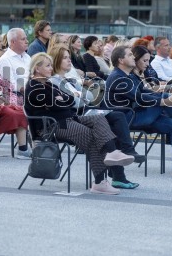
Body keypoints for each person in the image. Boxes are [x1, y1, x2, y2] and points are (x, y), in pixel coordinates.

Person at [25, 53, 135, 194]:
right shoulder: (34, 87)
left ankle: (112, 152)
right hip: (52, 127)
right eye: (47, 65)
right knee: (91, 136)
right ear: (37, 68)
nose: (51, 68)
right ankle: (100, 182)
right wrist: (64, 99)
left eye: (51, 65)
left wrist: (63, 99)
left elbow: (67, 101)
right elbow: (61, 104)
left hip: (67, 119)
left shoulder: (47, 84)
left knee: (99, 118)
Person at [48, 44, 145, 187]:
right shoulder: (54, 81)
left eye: (69, 57)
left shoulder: (69, 80)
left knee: (117, 118)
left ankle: (122, 162)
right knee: (109, 126)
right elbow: (74, 103)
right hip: (76, 118)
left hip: (86, 113)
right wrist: (78, 97)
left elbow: (89, 96)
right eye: (65, 58)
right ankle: (117, 172)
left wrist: (77, 95)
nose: (69, 61)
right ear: (56, 60)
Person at [106, 46, 172, 178]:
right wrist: (164, 100)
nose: (133, 57)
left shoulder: (129, 76)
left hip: (141, 115)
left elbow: (145, 92)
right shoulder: (118, 77)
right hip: (129, 119)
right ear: (121, 60)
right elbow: (140, 98)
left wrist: (163, 96)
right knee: (166, 99)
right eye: (130, 55)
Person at [0, 28, 31, 95]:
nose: (27, 41)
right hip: (18, 97)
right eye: (23, 39)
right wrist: (30, 90)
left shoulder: (27, 57)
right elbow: (10, 85)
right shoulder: (5, 60)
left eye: (26, 39)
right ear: (13, 42)